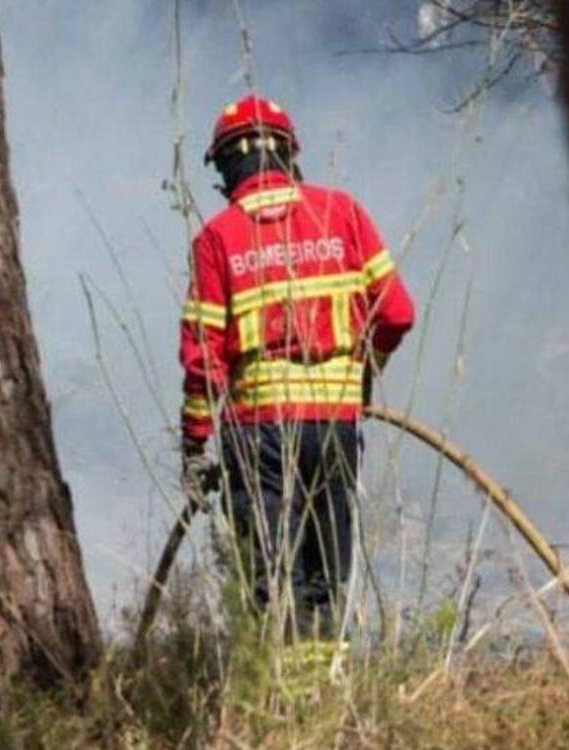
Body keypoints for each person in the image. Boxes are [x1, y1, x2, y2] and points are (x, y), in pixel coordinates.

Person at [178, 94, 414, 640]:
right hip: (334, 421)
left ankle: (279, 697)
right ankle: (323, 692)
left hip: (257, 433)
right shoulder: (344, 213)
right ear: (289, 155)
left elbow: (203, 356)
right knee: (325, 576)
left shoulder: (217, 237)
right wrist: (362, 373)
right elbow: (397, 313)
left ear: (227, 165)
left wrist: (194, 443)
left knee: (267, 581)